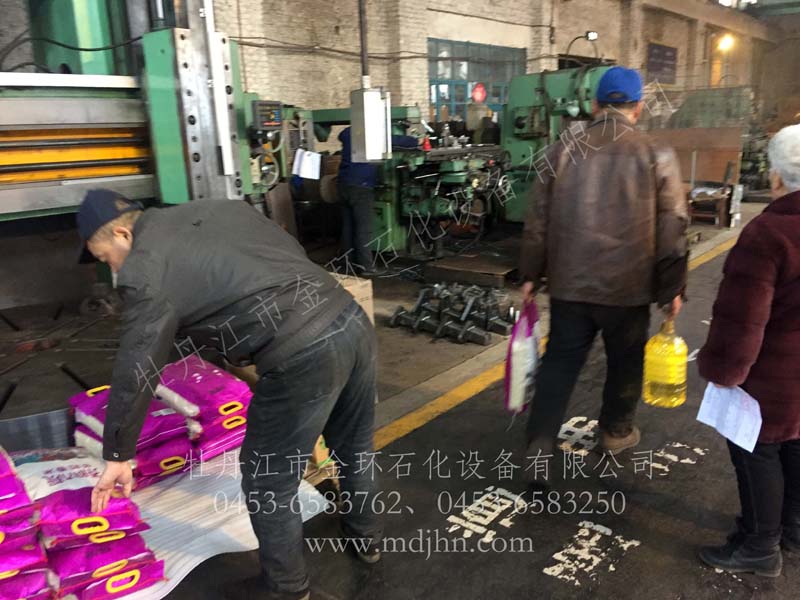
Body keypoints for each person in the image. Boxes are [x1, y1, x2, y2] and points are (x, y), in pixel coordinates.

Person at [79, 190, 381, 600]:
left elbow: (138, 363)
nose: (114, 270)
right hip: (350, 318)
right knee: (355, 448)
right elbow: (282, 257)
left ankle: (288, 589)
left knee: (268, 480)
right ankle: (366, 539)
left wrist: (118, 453)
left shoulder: (144, 267)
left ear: (122, 235)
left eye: (106, 259)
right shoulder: (217, 208)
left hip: (303, 353)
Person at [519, 66, 688, 463]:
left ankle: (539, 444)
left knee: (559, 362)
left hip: (569, 286)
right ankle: (615, 432)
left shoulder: (561, 150)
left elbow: (537, 219)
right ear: (638, 107)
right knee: (625, 362)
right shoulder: (657, 153)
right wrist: (671, 289)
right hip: (628, 290)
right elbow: (673, 226)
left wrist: (530, 274)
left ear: (594, 105)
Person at [697, 124, 800, 577]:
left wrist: (724, 373)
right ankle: (793, 529)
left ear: (776, 177)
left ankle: (760, 545)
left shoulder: (769, 234)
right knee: (796, 443)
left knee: (756, 450)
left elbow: (743, 319)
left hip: (771, 377)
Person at [337, 126, 417, 274]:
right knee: (364, 230)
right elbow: (401, 141)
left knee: (348, 227)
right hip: (362, 187)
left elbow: (341, 135)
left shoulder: (349, 132)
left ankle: (346, 263)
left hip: (344, 185)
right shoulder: (373, 133)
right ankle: (366, 267)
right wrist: (416, 140)